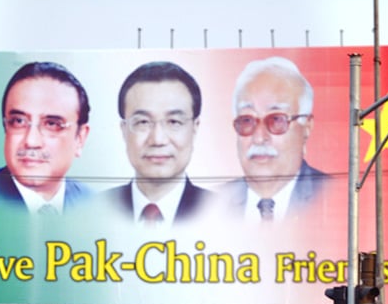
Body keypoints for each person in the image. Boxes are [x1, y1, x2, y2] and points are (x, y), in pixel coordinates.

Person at [99, 61, 213, 227]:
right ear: (124, 130)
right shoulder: (93, 210)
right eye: (143, 122)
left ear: (194, 128)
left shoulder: (224, 212)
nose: (158, 140)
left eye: (174, 122)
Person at [218, 56, 327, 223]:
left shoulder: (333, 195)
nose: (260, 138)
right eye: (247, 120)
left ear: (306, 126)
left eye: (276, 120)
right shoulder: (213, 202)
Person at [0, 61, 93, 218]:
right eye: (18, 121)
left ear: (80, 138)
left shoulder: (94, 206)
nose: (31, 141)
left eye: (52, 124)